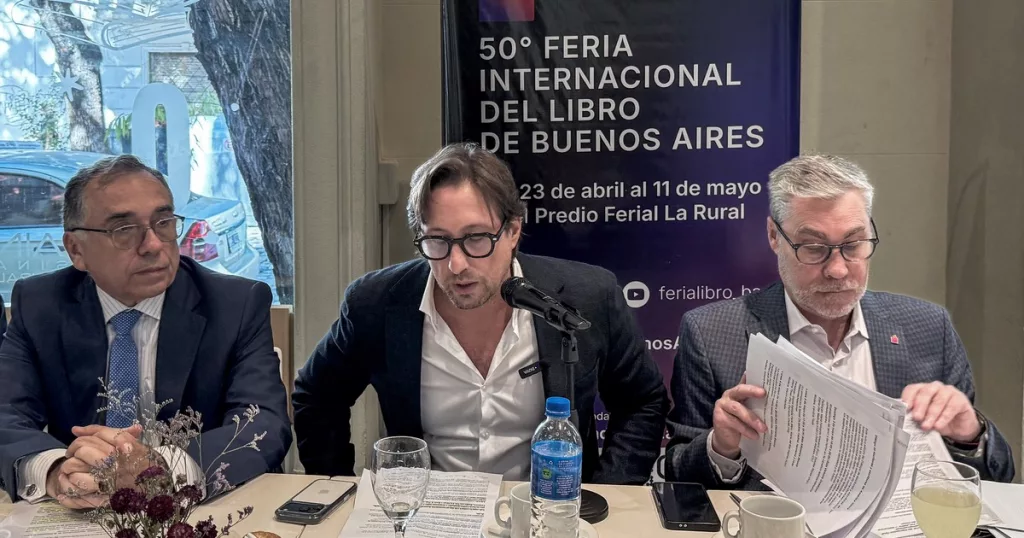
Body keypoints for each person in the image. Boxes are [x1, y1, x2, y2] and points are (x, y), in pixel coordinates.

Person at [293, 142, 668, 484]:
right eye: (437, 240)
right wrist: (337, 488)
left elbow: (642, 401)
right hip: (428, 513)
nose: (456, 265)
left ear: (513, 231)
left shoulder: (588, 296)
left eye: (476, 238)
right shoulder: (376, 303)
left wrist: (607, 491)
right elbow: (317, 396)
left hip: (546, 509)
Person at [665, 154, 1015, 488]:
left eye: (853, 244)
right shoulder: (713, 334)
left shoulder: (928, 327)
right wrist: (721, 446)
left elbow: (998, 477)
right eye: (814, 248)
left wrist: (969, 434)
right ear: (774, 236)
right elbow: (679, 476)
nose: (837, 270)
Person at [0, 155, 291, 507]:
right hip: (82, 507)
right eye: (124, 229)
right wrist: (56, 470)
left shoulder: (235, 304)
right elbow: (6, 413)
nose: (153, 245)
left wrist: (160, 468)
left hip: (197, 508)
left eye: (163, 222)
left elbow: (263, 423)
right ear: (76, 249)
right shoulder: (41, 304)